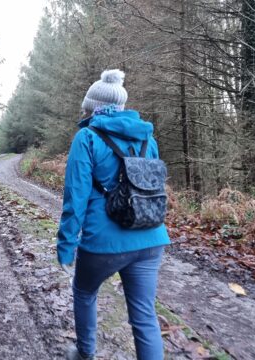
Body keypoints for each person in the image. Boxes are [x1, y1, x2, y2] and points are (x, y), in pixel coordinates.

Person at [57, 69, 171, 360]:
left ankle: (84, 354)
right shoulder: (149, 138)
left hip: (103, 244)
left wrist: (67, 246)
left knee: (84, 292)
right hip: (150, 238)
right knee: (144, 315)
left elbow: (76, 197)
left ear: (93, 106)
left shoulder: (86, 137)